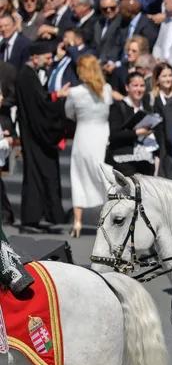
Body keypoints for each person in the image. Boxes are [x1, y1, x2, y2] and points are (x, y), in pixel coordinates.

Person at [16, 40, 68, 232]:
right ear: (35, 58)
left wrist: (54, 97)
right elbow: (40, 108)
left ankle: (37, 217)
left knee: (39, 175)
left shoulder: (29, 75)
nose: (49, 61)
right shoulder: (27, 77)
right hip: (35, 135)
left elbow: (41, 100)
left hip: (33, 134)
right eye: (47, 58)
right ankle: (31, 219)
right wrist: (59, 100)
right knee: (37, 176)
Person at [65, 54, 112, 237]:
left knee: (78, 177)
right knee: (105, 176)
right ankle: (107, 220)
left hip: (83, 136)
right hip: (102, 136)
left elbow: (69, 113)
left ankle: (77, 222)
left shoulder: (75, 92)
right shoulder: (106, 89)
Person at [107, 71, 159, 177]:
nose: (139, 89)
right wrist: (137, 132)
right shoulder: (118, 107)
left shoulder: (148, 107)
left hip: (147, 160)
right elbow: (114, 135)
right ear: (127, 87)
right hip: (125, 160)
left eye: (142, 86)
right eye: (135, 85)